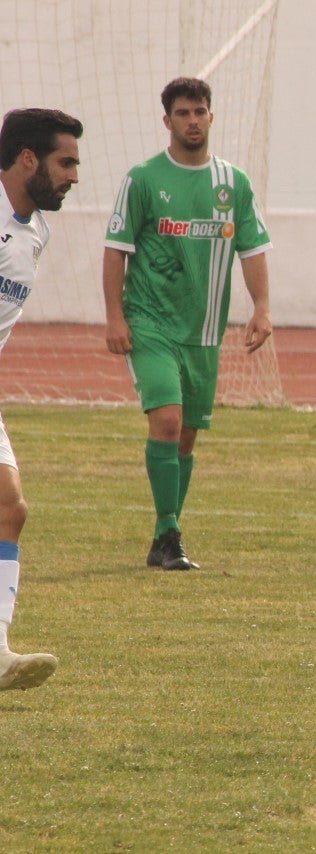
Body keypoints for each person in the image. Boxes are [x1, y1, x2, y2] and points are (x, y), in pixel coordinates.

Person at [102, 77, 272, 571]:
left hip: (203, 332)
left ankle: (162, 538)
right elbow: (117, 249)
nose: (192, 121)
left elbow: (253, 248)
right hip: (150, 322)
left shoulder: (232, 184)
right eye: (182, 113)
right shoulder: (143, 179)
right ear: (167, 121)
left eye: (199, 111)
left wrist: (261, 306)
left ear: (211, 117)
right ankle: (171, 531)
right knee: (168, 420)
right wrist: (116, 316)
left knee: (186, 437)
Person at [0, 108, 83, 689]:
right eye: (65, 161)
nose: (74, 175)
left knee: (10, 509)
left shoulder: (37, 233)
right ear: (29, 158)